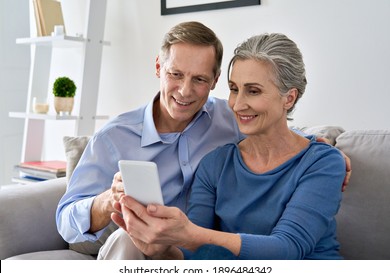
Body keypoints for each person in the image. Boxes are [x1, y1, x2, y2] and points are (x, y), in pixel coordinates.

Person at [56, 21, 350, 257]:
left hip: (196, 245)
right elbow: (66, 221)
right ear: (159, 67)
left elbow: (278, 134)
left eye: (199, 79)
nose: (185, 91)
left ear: (214, 80)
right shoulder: (116, 137)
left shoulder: (231, 119)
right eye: (175, 74)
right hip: (151, 244)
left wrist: (323, 148)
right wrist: (110, 201)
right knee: (126, 242)